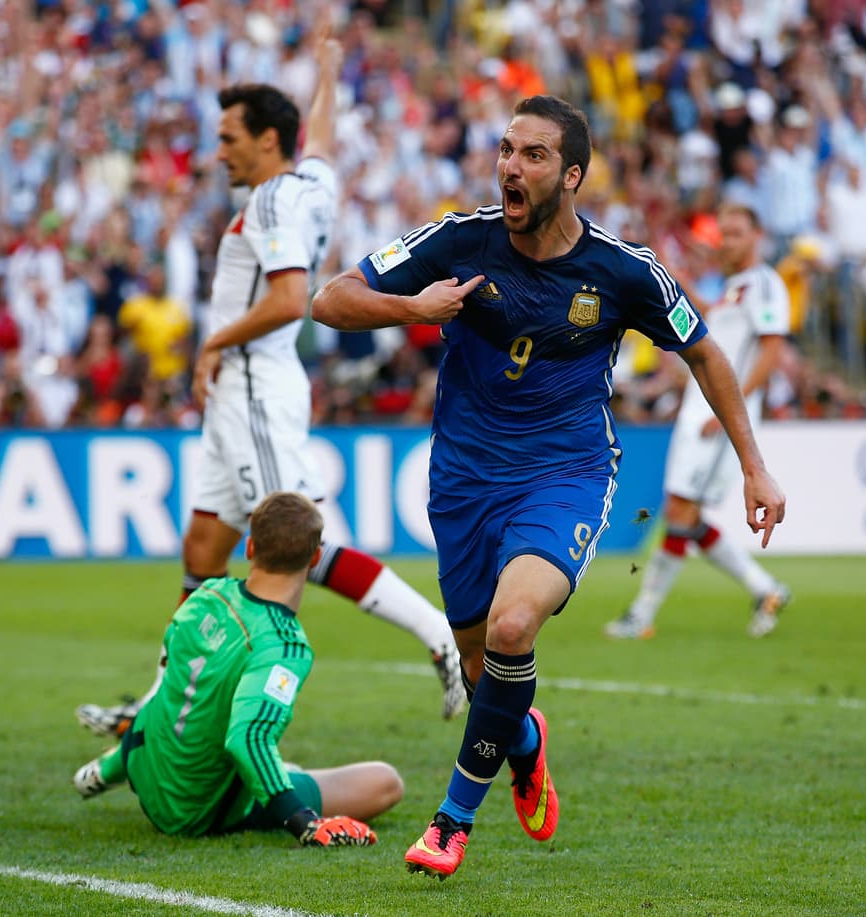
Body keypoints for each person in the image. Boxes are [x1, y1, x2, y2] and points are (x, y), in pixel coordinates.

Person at [311, 95, 786, 879]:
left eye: (531, 155)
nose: (509, 166)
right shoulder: (461, 240)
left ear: (571, 176)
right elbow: (331, 298)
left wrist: (754, 463)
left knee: (512, 625)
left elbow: (704, 352)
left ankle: (450, 823)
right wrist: (413, 306)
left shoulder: (624, 271)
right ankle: (525, 742)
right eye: (505, 149)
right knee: (479, 669)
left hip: (565, 473)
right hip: (463, 478)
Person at [75, 33, 464, 734]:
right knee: (202, 547)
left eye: (229, 137)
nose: (218, 150)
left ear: (264, 141)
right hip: (240, 395)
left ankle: (441, 635)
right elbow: (320, 140)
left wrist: (212, 344)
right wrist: (327, 71)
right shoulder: (306, 184)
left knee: (298, 547)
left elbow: (291, 298)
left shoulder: (271, 205)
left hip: (254, 384)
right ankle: (160, 710)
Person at [73, 491, 402, 846]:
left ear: (249, 548)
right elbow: (246, 739)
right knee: (385, 782)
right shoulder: (282, 645)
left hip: (147, 769)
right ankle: (268, 786)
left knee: (185, 691)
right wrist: (303, 821)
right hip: (194, 810)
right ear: (315, 558)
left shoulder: (207, 595)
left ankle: (109, 767)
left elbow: (170, 679)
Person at [606, 204, 792, 641]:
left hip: (719, 416)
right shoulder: (736, 288)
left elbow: (770, 351)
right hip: (700, 411)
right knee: (683, 514)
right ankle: (766, 589)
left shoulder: (765, 284)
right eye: (722, 234)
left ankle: (642, 613)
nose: (725, 242)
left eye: (735, 234)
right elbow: (710, 318)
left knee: (680, 511)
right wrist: (671, 273)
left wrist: (732, 413)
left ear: (756, 237)